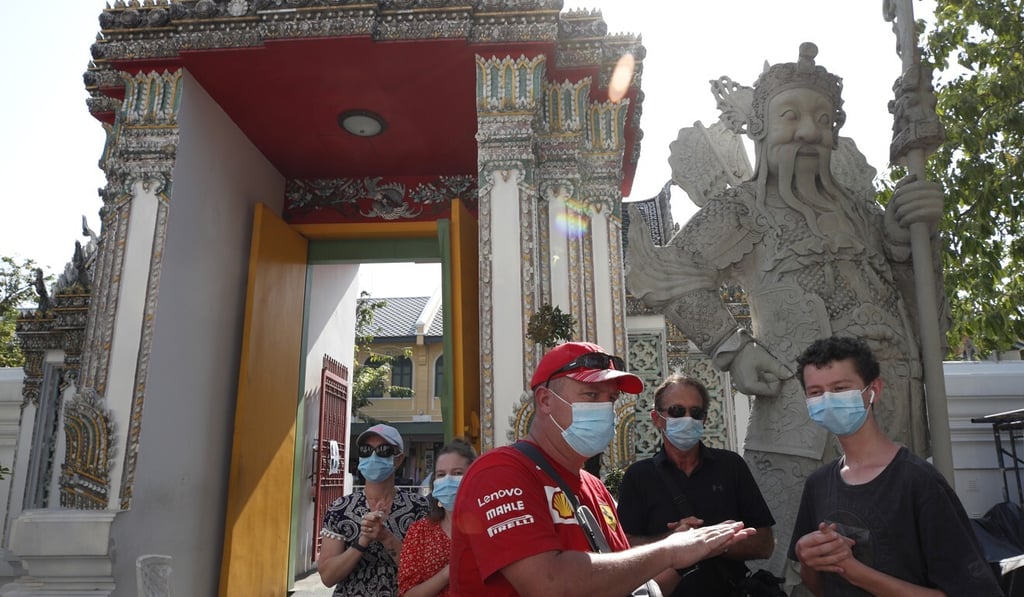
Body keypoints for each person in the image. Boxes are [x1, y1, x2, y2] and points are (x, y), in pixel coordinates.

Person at [627, 42, 947, 576]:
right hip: (803, 423)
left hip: (896, 408)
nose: (807, 131)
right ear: (759, 129)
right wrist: (733, 348)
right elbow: (666, 275)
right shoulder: (744, 207)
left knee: (900, 560)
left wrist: (911, 245)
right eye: (790, 116)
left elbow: (927, 315)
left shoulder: (866, 214)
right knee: (801, 567)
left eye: (822, 120)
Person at [449, 341, 756, 596]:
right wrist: (669, 551)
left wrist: (691, 553)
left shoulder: (595, 490)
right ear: (545, 400)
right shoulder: (500, 472)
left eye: (611, 399)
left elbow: (620, 581)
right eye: (591, 396)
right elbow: (550, 584)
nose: (605, 410)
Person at [789, 336, 1002, 596]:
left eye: (840, 388)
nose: (828, 400)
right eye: (816, 393)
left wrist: (856, 572)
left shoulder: (918, 482)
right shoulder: (818, 485)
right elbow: (821, 586)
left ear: (874, 391)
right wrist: (806, 555)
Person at [617, 374, 776, 596]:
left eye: (696, 413)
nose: (687, 418)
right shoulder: (639, 476)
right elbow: (623, 548)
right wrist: (674, 542)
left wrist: (714, 541)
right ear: (657, 418)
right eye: (677, 411)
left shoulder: (731, 466)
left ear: (705, 420)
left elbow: (765, 543)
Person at [320, 423, 430, 597]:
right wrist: (363, 540)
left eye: (383, 450)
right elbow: (328, 577)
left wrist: (385, 536)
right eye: (366, 449)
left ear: (399, 459)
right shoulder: (339, 509)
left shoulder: (420, 509)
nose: (373, 456)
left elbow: (427, 572)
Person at [398, 438, 478, 597]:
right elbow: (407, 593)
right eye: (441, 474)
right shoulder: (419, 532)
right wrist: (447, 573)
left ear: (473, 476)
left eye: (457, 473)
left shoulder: (491, 528)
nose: (447, 480)